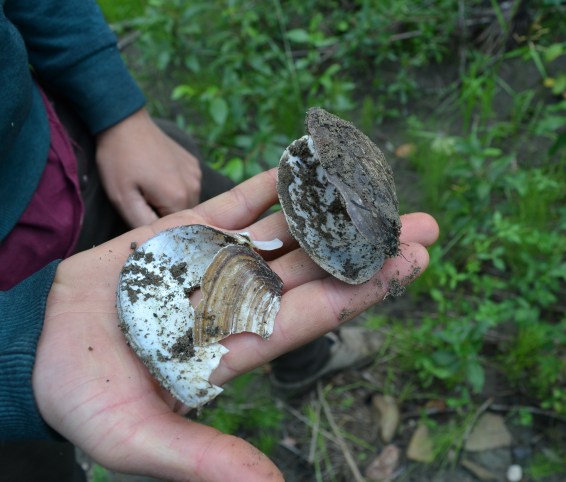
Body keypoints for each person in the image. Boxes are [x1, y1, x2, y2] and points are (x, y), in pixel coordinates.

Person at [1, 0, 439, 479]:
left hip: (63, 145)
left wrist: (117, 109)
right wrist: (15, 354)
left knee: (248, 244)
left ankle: (308, 359)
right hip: (19, 285)